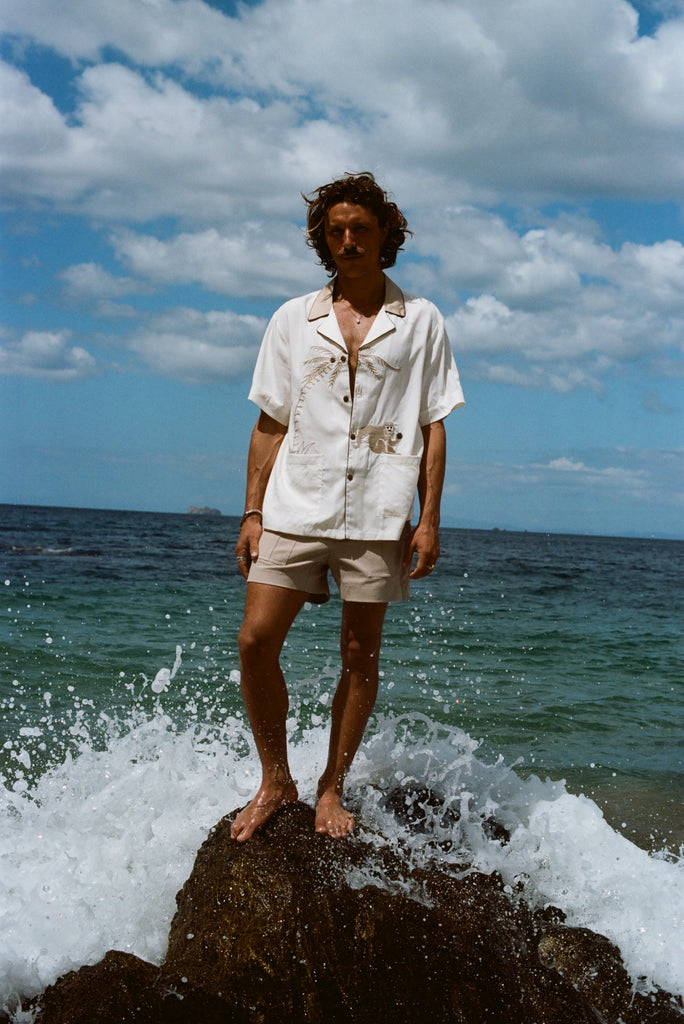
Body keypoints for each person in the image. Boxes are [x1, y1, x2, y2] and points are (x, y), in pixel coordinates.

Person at [231, 173, 464, 842]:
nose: (348, 240)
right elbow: (271, 421)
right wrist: (251, 512)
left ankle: (332, 786)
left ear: (386, 233)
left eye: (360, 228)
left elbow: (433, 425)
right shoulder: (291, 319)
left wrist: (429, 520)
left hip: (378, 509)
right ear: (321, 239)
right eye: (335, 230)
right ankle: (276, 778)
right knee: (254, 641)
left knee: (360, 654)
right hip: (293, 506)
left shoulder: (420, 320)